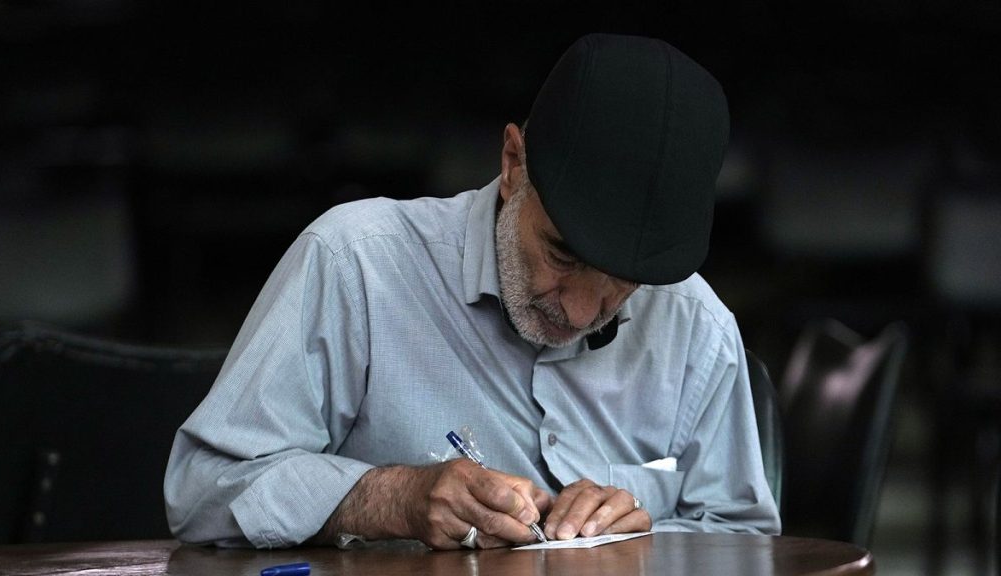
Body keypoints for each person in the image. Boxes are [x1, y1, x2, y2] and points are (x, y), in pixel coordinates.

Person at [163, 32, 781, 550]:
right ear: (513, 164)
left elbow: (749, 545)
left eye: (624, 285)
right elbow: (201, 488)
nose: (580, 311)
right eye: (562, 254)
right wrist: (386, 497)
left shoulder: (696, 326)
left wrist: (643, 539)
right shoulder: (357, 263)